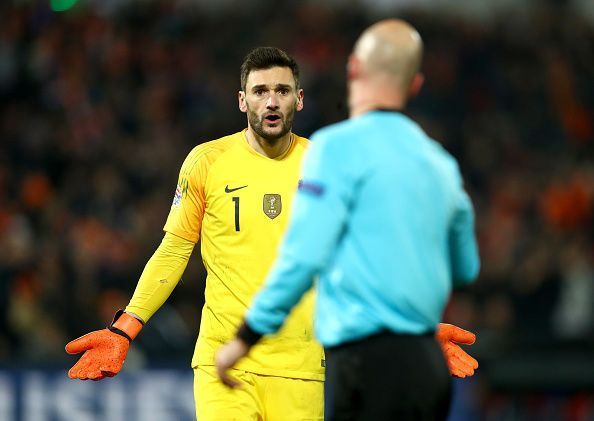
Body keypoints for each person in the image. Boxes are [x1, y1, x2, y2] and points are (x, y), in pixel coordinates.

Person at [65, 46, 477, 421]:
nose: (271, 100)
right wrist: (125, 329)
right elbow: (174, 251)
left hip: (299, 369)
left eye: (282, 90)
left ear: (298, 99)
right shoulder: (207, 162)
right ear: (242, 100)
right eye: (260, 91)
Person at [216, 21, 480, 421]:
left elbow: (303, 258)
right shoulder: (441, 163)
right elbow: (465, 267)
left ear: (354, 69)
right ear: (416, 85)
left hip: (360, 364)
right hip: (427, 365)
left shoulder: (333, 149)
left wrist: (244, 339)